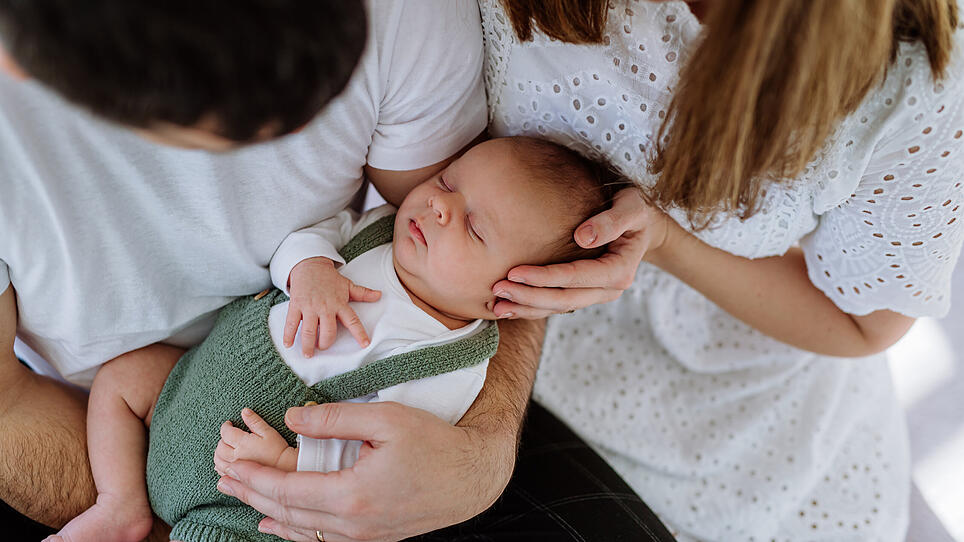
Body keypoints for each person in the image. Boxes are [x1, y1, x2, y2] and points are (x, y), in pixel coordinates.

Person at [0, 1, 565, 541]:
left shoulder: (406, 16)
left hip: (280, 482)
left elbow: (505, 258)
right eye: (235, 129)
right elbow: (7, 405)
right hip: (79, 433)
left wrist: (479, 458)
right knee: (121, 385)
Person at [449, 0, 964, 540]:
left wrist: (664, 241)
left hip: (739, 420)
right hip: (471, 325)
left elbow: (863, 322)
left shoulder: (914, 72)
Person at [48, 136, 615, 542]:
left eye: (471, 226)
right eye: (448, 181)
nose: (440, 205)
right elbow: (312, 236)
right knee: (123, 378)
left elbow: (370, 461)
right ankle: (118, 504)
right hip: (187, 383)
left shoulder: (446, 363)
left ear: (505, 299)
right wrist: (310, 268)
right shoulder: (377, 229)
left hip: (245, 492)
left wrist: (288, 465)